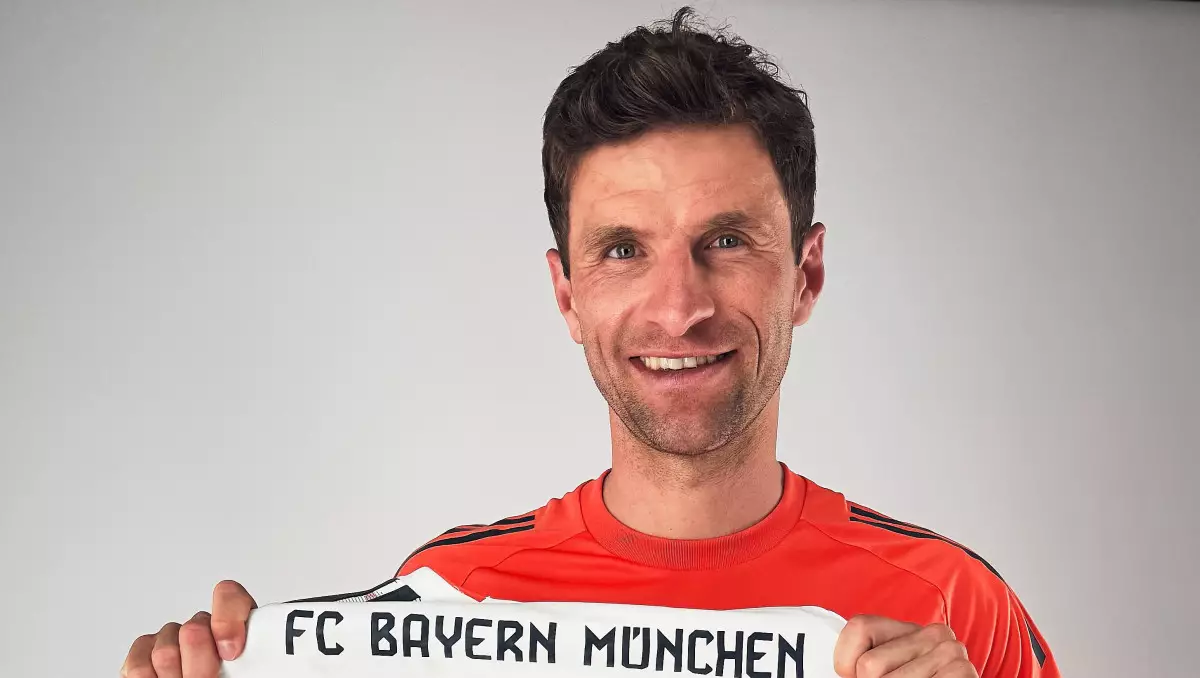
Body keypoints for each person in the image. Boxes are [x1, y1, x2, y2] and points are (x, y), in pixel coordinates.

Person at [120, 7, 1060, 678]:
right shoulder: (448, 606)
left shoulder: (955, 610)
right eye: (622, 251)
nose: (678, 308)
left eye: (726, 241)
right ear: (567, 296)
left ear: (806, 275)